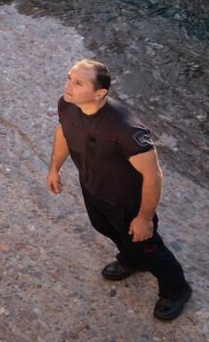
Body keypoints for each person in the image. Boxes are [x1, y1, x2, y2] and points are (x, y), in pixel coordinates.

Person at [47, 59, 192, 321]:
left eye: (77, 83)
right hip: (93, 188)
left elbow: (153, 175)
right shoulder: (67, 104)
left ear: (100, 93)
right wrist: (54, 168)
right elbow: (63, 133)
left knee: (149, 248)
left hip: (127, 202)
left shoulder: (125, 129)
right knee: (105, 228)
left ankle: (176, 289)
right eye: (69, 77)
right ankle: (131, 260)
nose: (68, 85)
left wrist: (144, 218)